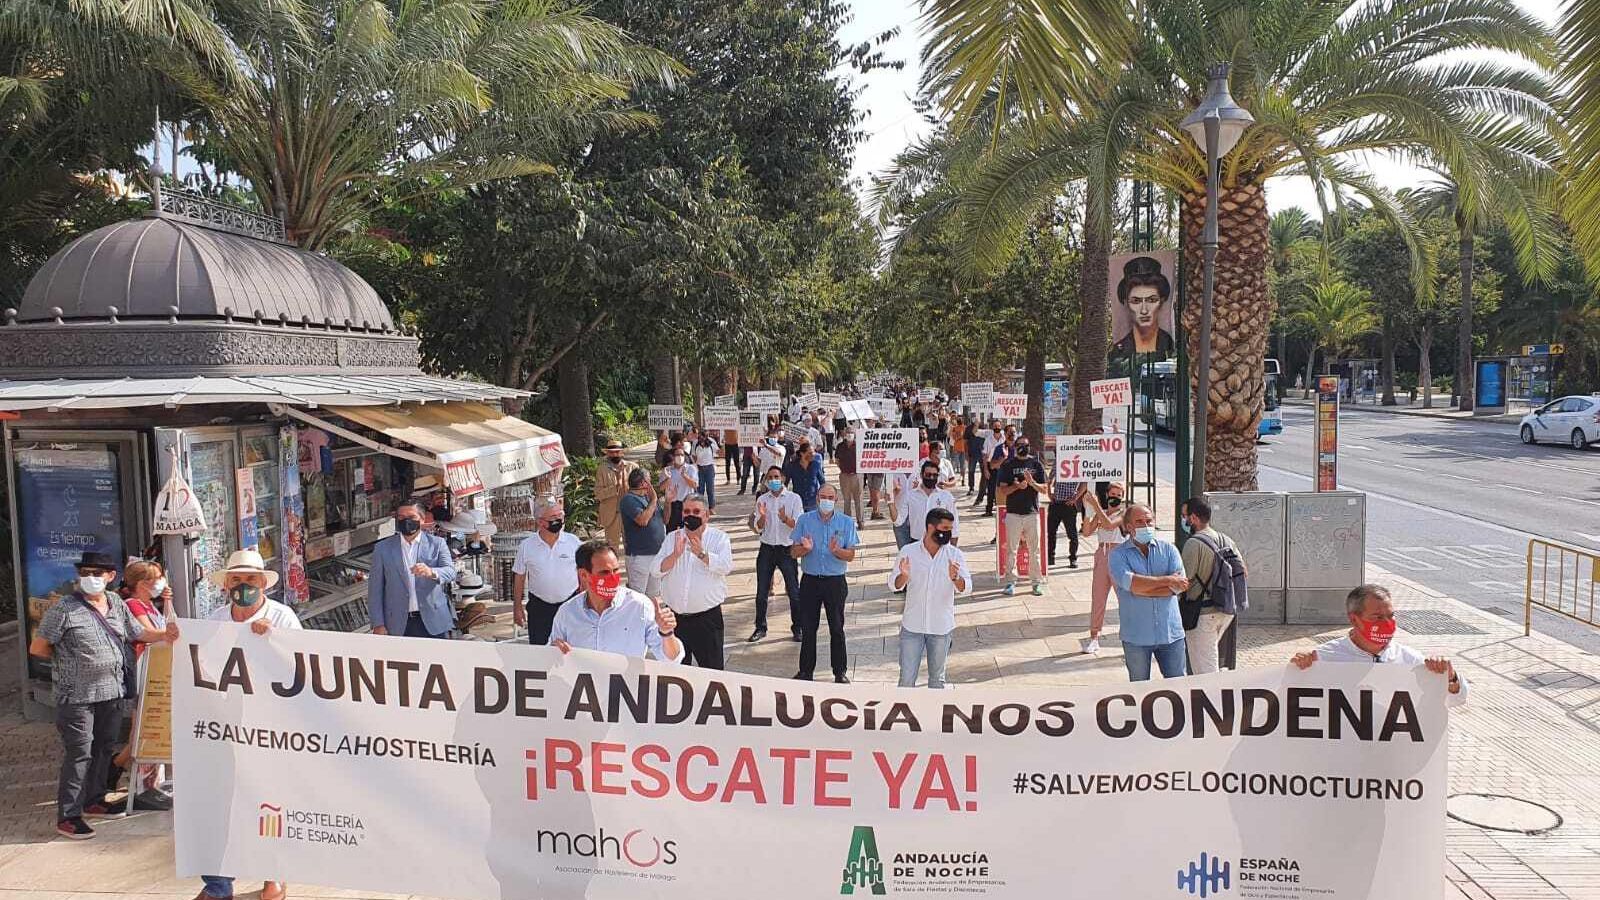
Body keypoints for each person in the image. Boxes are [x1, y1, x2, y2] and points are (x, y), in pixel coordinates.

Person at [30, 552, 179, 841]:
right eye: (86, 572)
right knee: (79, 752)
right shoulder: (65, 608)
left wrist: (165, 634)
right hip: (77, 696)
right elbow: (39, 647)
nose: (91, 578)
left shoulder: (117, 603)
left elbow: (138, 633)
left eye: (98, 573)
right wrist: (70, 664)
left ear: (111, 576)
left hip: (112, 692)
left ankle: (94, 799)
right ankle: (69, 816)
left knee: (103, 747)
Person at [198, 549, 299, 900]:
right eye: (237, 580)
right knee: (216, 802)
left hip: (268, 727)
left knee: (267, 802)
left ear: (263, 584)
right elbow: (198, 666)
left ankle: (274, 874)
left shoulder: (282, 618)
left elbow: (300, 668)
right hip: (223, 724)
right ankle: (217, 885)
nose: (243, 586)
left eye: (250, 580)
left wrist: (274, 641)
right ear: (227, 584)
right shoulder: (213, 621)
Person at [1291, 584, 1468, 705]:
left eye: (1390, 616)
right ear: (1354, 619)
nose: (1387, 623)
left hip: (1389, 755)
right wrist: (1298, 670)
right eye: (1377, 617)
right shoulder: (1324, 658)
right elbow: (1289, 702)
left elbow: (1455, 700)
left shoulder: (1411, 660)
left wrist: (1450, 678)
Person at [549, 539, 683, 661]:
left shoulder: (639, 606)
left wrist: (667, 633)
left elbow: (672, 659)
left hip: (626, 687)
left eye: (616, 570)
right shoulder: (567, 613)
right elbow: (550, 657)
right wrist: (553, 651)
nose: (613, 578)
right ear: (584, 575)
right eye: (604, 573)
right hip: (583, 687)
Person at [113, 559, 174, 810]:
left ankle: (138, 778)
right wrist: (171, 633)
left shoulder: (151, 605)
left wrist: (168, 600)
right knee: (141, 728)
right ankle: (121, 773)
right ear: (142, 583)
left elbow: (169, 623)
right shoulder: (133, 605)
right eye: (156, 578)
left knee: (148, 727)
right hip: (144, 671)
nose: (161, 582)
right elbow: (146, 633)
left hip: (158, 672)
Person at [1107, 503, 1188, 681]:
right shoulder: (1118, 555)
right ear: (1129, 527)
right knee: (1139, 691)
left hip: (1171, 635)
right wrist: (1167, 580)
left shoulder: (1169, 550)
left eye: (1149, 521)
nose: (1146, 525)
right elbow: (1131, 584)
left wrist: (1143, 588)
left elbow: (1179, 586)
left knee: (1178, 686)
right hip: (1137, 636)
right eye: (1139, 522)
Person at [891, 508, 971, 689]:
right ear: (930, 527)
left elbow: (966, 588)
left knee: (937, 681)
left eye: (950, 529)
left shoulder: (955, 555)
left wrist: (955, 578)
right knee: (906, 680)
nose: (947, 533)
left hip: (941, 628)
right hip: (912, 626)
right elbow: (893, 584)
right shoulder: (908, 551)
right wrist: (904, 576)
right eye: (944, 528)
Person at [651, 494, 733, 668]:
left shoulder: (719, 538)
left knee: (712, 672)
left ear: (706, 515)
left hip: (707, 620)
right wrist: (674, 555)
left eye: (696, 511)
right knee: (677, 670)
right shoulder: (672, 538)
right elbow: (655, 570)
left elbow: (725, 567)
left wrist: (702, 554)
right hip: (676, 619)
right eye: (687, 511)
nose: (691, 515)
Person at [790, 485, 860, 684]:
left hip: (835, 582)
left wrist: (838, 551)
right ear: (817, 498)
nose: (826, 500)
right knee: (808, 627)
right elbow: (793, 552)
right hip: (810, 581)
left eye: (830, 497)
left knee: (836, 627)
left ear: (836, 500)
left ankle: (839, 672)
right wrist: (804, 549)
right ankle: (805, 671)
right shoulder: (805, 520)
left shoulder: (846, 522)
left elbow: (851, 555)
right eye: (823, 497)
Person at [368, 500, 457, 639]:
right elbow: (375, 589)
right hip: (398, 624)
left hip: (433, 621)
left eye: (411, 518)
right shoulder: (383, 548)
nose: (406, 522)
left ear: (422, 519)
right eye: (401, 518)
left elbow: (451, 572)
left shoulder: (437, 544)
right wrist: (378, 624)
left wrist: (432, 572)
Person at [1179, 496, 1244, 674]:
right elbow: (1243, 571)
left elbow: (1184, 580)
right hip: (1225, 611)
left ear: (1193, 518)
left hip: (1202, 614)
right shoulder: (1225, 540)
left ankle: (1212, 700)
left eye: (1184, 516)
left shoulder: (1194, 543)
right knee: (1211, 660)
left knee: (1204, 671)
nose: (1183, 521)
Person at [512, 498, 581, 645]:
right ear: (540, 522)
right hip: (539, 607)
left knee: (572, 648)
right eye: (553, 518)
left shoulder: (573, 542)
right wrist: (517, 607)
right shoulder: (527, 546)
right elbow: (519, 577)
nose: (558, 520)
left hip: (569, 605)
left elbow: (583, 573)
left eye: (560, 516)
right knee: (540, 650)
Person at [751, 466, 804, 642]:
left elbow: (798, 525)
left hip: (786, 549)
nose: (773, 480)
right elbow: (757, 528)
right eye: (770, 477)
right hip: (766, 548)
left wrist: (784, 519)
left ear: (782, 478)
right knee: (761, 592)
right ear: (766, 480)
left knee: (794, 592)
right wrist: (762, 518)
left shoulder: (794, 498)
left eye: (776, 476)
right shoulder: (762, 499)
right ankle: (760, 627)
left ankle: (798, 628)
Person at [996, 437, 1048, 596]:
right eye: (1020, 446)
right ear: (1015, 447)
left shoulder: (1036, 464)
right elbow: (1002, 490)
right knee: (1011, 549)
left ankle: (1036, 582)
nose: (1023, 448)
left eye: (1026, 446)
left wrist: (1032, 483)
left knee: (1034, 550)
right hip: (1013, 513)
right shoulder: (1007, 465)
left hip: (1032, 513)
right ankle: (1011, 581)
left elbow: (1045, 489)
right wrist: (1017, 486)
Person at [1079, 483, 1126, 654]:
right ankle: (1094, 637)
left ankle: (1130, 632)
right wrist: (1088, 511)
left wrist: (1096, 505)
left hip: (1118, 555)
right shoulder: (1101, 513)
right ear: (1107, 494)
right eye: (1112, 494)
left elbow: (1109, 525)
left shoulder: (1124, 513)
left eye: (1118, 495)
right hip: (1102, 554)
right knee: (1098, 598)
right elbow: (1086, 532)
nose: (1115, 497)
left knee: (1124, 597)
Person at [1111, 254, 1175, 357]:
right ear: (1126, 303)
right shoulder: (1119, 347)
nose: (1144, 310)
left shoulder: (1169, 342)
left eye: (1152, 300)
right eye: (1136, 301)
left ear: (1161, 302)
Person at [619, 468, 666, 596]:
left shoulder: (649, 498)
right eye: (649, 479)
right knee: (637, 597)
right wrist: (654, 500)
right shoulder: (629, 499)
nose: (651, 483)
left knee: (653, 595)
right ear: (643, 483)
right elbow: (642, 520)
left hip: (656, 555)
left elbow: (665, 519)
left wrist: (669, 501)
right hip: (639, 556)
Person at [896, 459, 960, 552]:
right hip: (917, 543)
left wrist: (953, 549)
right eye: (928, 475)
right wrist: (890, 502)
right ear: (922, 475)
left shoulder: (946, 496)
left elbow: (954, 524)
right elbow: (899, 521)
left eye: (934, 475)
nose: (931, 478)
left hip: (940, 543)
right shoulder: (910, 496)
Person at [593, 440, 638, 550]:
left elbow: (640, 489)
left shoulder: (633, 467)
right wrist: (615, 487)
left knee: (633, 546)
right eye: (612, 452)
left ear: (622, 452)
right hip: (612, 515)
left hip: (630, 513)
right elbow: (598, 494)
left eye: (617, 452)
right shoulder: (602, 470)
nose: (615, 454)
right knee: (612, 547)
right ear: (607, 453)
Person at [1047, 470, 1087, 569]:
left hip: (1069, 504)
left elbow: (1084, 482)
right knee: (1051, 532)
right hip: (1056, 503)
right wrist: (1049, 492)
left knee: (1072, 534)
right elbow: (1049, 479)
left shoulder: (1077, 464)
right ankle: (1050, 557)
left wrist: (1075, 498)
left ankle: (1073, 558)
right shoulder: (1058, 462)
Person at [659, 448, 699, 530]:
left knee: (688, 530)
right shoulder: (667, 470)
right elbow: (661, 488)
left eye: (682, 455)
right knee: (671, 530)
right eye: (677, 455)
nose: (680, 457)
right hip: (672, 505)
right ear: (673, 457)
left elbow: (695, 485)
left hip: (687, 504)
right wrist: (668, 478)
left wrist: (684, 476)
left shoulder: (691, 468)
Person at [783, 440, 826, 512]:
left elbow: (822, 482)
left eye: (813, 452)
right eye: (810, 453)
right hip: (798, 503)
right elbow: (785, 483)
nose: (813, 455)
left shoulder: (816, 464)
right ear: (802, 453)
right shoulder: (792, 466)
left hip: (813, 503)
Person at [835, 427, 863, 522]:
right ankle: (848, 521)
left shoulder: (859, 445)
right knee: (846, 500)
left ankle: (860, 521)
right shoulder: (840, 446)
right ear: (845, 434)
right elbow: (837, 460)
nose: (850, 434)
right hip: (844, 475)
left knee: (858, 499)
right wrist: (843, 469)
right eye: (848, 432)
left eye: (851, 432)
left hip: (857, 475)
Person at [691, 429, 720, 513]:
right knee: (700, 489)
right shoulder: (695, 443)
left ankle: (711, 508)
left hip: (709, 468)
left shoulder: (711, 442)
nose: (702, 439)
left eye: (704, 436)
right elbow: (693, 455)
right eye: (701, 436)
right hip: (699, 469)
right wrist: (695, 465)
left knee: (710, 489)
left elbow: (719, 452)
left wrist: (722, 444)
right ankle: (700, 508)